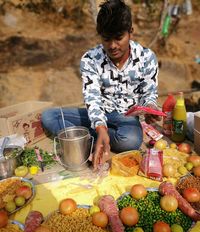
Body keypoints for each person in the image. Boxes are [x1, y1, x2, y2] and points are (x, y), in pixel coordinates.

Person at [41, 0, 161, 170]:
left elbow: (149, 92)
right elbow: (92, 98)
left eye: (119, 38)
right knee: (48, 116)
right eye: (106, 39)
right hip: (96, 114)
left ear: (130, 32)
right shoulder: (90, 59)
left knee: (131, 140)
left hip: (126, 118)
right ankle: (97, 136)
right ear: (100, 36)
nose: (112, 46)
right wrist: (100, 127)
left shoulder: (147, 58)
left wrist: (149, 106)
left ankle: (83, 138)